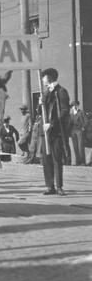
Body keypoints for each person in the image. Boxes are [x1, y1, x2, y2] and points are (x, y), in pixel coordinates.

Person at [41, 68, 70, 196]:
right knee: (46, 159)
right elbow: (41, 111)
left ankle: (59, 186)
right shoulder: (45, 92)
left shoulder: (61, 92)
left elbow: (64, 112)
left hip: (55, 131)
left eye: (44, 77)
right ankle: (49, 186)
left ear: (50, 78)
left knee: (56, 158)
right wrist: (40, 104)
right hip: (44, 132)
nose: (42, 80)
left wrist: (51, 124)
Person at [69, 100, 86, 166]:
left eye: (74, 105)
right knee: (75, 147)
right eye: (72, 106)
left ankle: (82, 162)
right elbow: (69, 123)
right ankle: (77, 162)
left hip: (79, 131)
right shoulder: (71, 114)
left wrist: (83, 127)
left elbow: (86, 121)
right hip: (73, 131)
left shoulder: (81, 112)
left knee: (80, 146)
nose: (73, 107)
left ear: (77, 105)